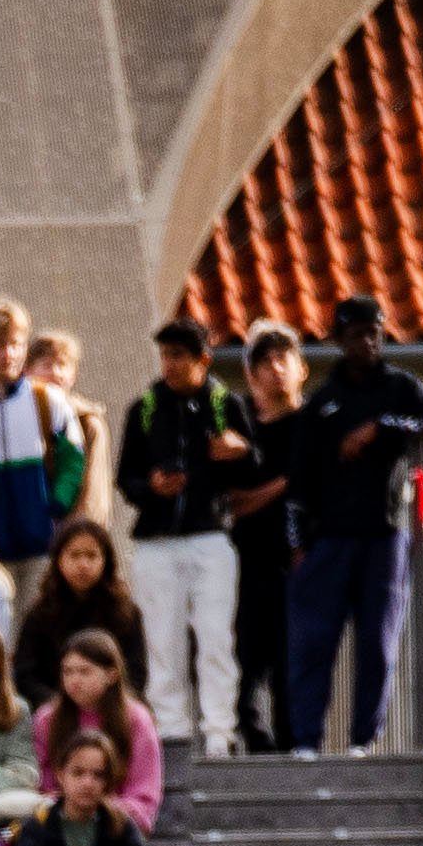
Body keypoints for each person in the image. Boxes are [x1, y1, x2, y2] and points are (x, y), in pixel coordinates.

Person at [268, 295, 423, 757]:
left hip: (385, 537)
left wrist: (381, 428)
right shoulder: (322, 403)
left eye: (374, 332)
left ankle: (363, 740)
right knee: (312, 645)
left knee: (378, 645)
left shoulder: (403, 388)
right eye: (356, 333)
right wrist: (297, 547)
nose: (367, 342)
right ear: (339, 339)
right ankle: (306, 740)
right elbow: (297, 485)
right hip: (329, 541)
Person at [112, 319, 259, 760]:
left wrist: (240, 450)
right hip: (157, 539)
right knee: (162, 638)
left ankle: (219, 731)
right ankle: (171, 731)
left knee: (215, 636)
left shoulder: (225, 404)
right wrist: (151, 487)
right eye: (165, 355)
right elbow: (125, 477)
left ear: (202, 361)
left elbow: (253, 466)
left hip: (210, 535)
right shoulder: (144, 409)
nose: (170, 365)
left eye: (179, 356)